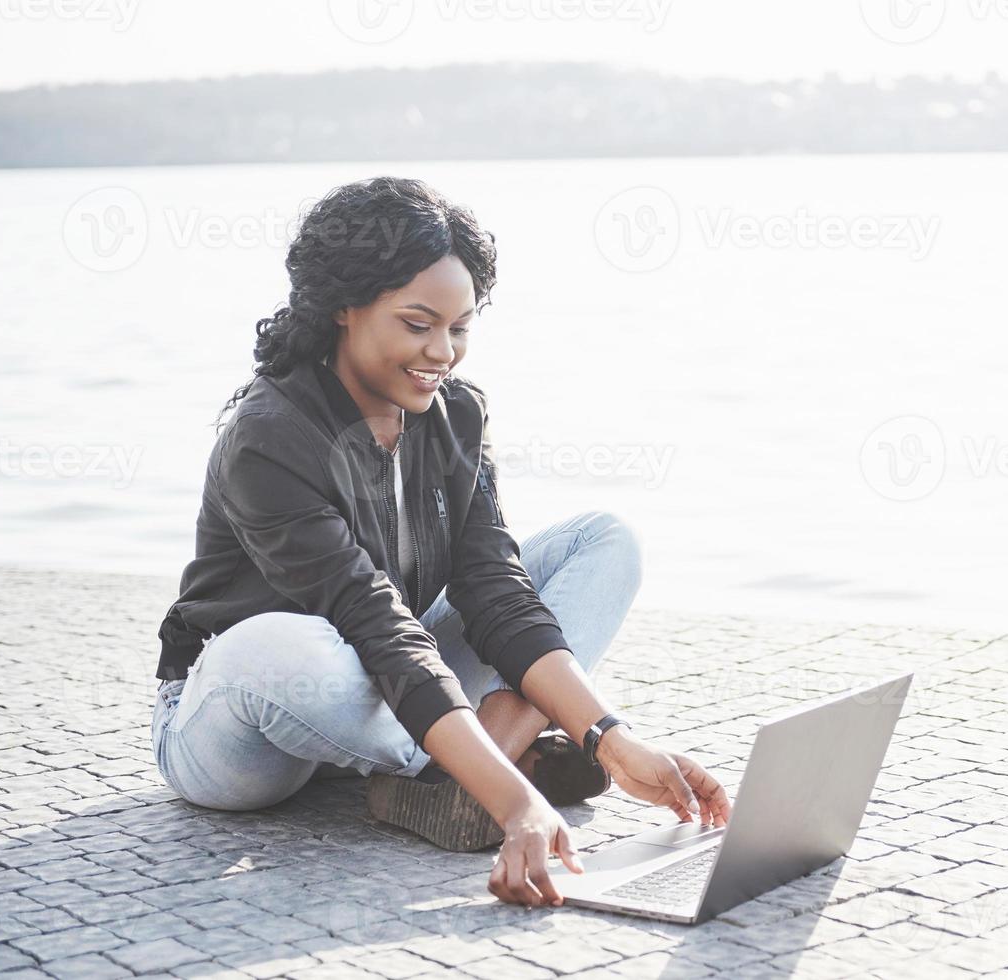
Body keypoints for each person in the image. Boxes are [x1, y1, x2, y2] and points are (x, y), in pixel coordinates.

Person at [151, 176, 730, 907]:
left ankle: (459, 763)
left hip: (385, 685)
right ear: (343, 309)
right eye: (418, 323)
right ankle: (492, 759)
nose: (443, 352)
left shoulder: (454, 416)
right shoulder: (270, 438)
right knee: (283, 644)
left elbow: (497, 593)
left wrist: (614, 741)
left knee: (604, 542)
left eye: (459, 327)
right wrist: (515, 802)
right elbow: (373, 621)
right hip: (242, 724)